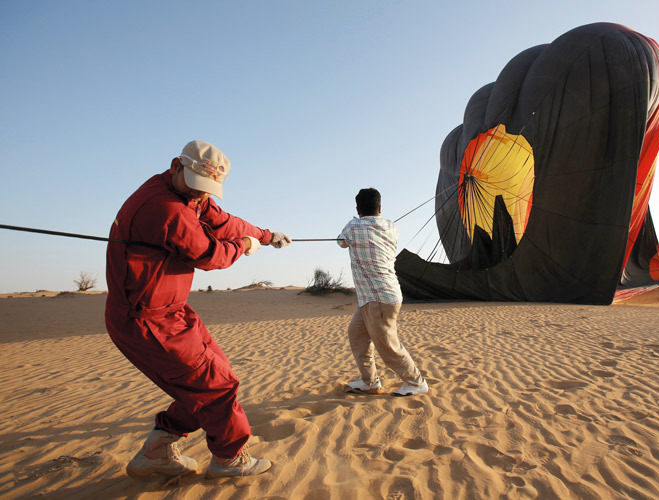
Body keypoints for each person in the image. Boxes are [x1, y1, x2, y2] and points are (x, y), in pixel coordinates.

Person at [105, 140, 292, 479]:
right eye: (198, 187)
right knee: (214, 386)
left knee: (214, 379)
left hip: (171, 311)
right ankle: (229, 460)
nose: (202, 196)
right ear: (176, 165)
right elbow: (209, 254)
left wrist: (265, 235)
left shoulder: (188, 195)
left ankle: (157, 450)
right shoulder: (167, 209)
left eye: (208, 190)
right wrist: (245, 247)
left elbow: (222, 222)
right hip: (147, 320)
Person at [337, 188, 428, 397]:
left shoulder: (353, 226)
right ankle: (370, 382)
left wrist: (355, 226)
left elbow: (341, 242)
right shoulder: (391, 226)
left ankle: (416, 382)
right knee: (357, 334)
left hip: (378, 297)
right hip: (373, 297)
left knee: (388, 345)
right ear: (380, 207)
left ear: (358, 209)